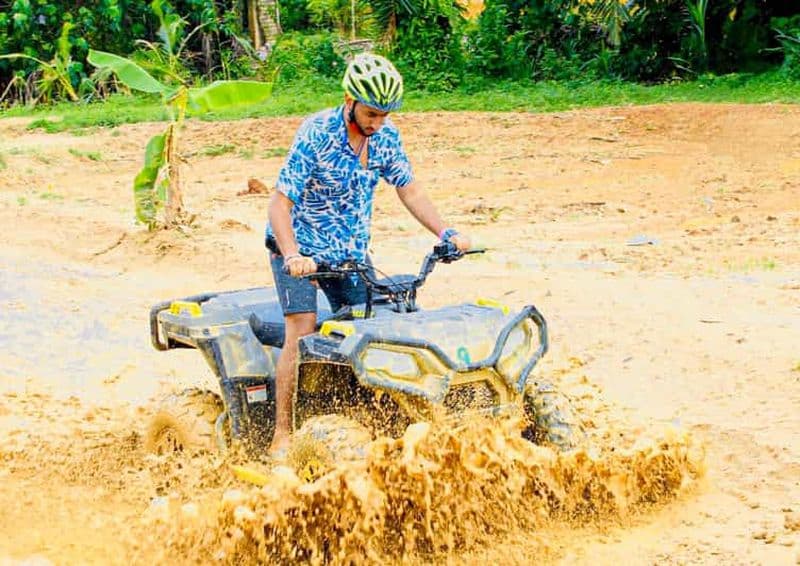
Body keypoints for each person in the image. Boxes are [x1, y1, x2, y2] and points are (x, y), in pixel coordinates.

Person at [264, 52, 471, 455]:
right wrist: (292, 255)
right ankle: (283, 435)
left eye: (386, 115)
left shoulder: (386, 137)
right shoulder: (316, 134)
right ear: (350, 100)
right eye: (372, 114)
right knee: (302, 328)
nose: (378, 123)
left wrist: (447, 231)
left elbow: (408, 188)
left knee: (369, 327)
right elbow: (279, 204)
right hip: (299, 249)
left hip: (349, 255)